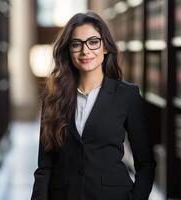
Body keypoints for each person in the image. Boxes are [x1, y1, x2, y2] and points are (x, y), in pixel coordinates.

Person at [31, 11, 156, 200]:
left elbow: (145, 163)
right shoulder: (54, 96)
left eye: (93, 42)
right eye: (76, 44)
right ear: (68, 51)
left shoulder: (127, 95)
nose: (85, 51)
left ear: (105, 47)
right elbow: (45, 165)